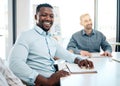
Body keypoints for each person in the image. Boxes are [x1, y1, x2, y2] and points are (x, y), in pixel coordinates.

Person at [8, 4, 94, 86]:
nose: (48, 19)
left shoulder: (51, 39)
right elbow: (15, 64)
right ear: (35, 17)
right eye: (44, 15)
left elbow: (67, 54)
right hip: (42, 83)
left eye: (51, 16)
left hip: (53, 79)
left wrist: (80, 60)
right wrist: (46, 81)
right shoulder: (25, 36)